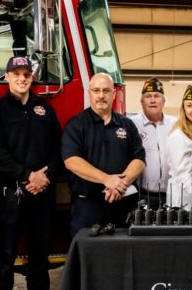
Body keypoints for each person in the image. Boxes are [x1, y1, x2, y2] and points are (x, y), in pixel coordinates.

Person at [0, 56, 64, 290]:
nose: (21, 78)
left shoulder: (45, 110)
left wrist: (46, 175)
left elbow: (59, 147)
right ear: (6, 77)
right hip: (11, 193)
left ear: (32, 77)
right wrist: (27, 175)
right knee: (5, 257)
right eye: (16, 74)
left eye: (26, 74)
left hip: (43, 192)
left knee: (39, 256)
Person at [62, 73, 146, 236]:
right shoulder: (76, 124)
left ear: (114, 94)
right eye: (96, 90)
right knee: (86, 255)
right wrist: (107, 180)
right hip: (88, 206)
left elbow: (139, 159)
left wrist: (121, 183)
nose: (101, 95)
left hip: (123, 204)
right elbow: (72, 161)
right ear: (89, 93)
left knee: (123, 255)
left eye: (106, 91)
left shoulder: (127, 124)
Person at [128, 78, 176, 208]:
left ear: (164, 101)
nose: (153, 100)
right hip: (142, 195)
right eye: (148, 96)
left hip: (172, 195)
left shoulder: (175, 124)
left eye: (157, 96)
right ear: (141, 101)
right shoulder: (131, 124)